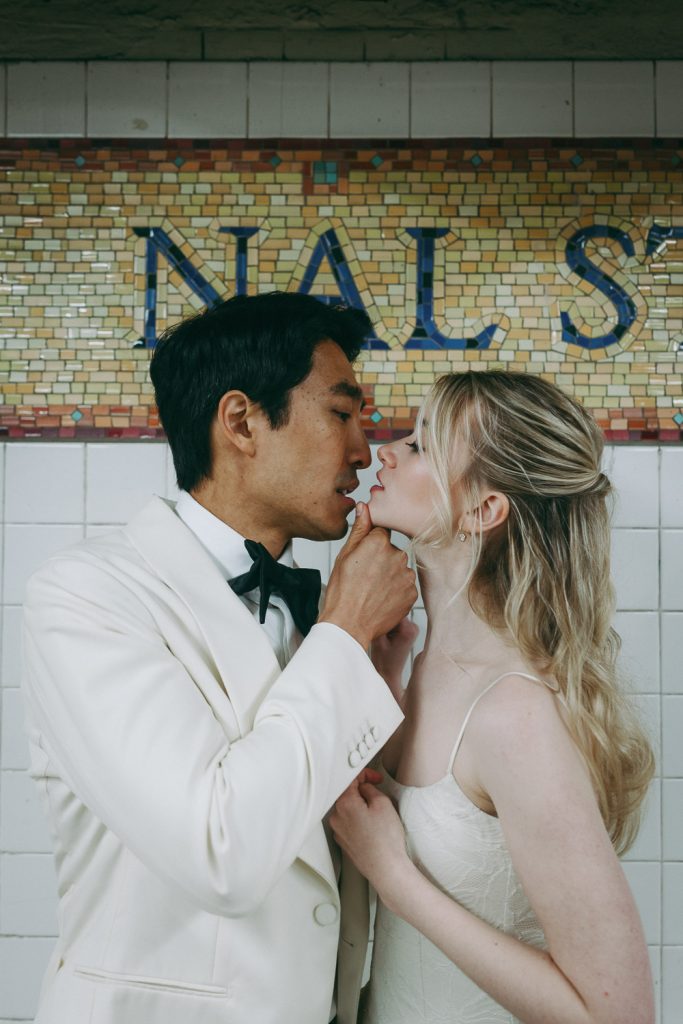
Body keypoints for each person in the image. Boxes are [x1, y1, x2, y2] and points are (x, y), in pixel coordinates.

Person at [21, 292, 418, 1024]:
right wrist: (344, 637)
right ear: (240, 422)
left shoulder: (324, 611)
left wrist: (372, 667)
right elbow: (219, 851)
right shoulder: (84, 595)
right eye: (341, 413)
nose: (364, 450)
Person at [330, 370, 656, 1024]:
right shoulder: (417, 667)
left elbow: (616, 1016)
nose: (384, 451)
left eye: (421, 445)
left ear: (484, 510)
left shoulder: (514, 714)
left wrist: (395, 881)